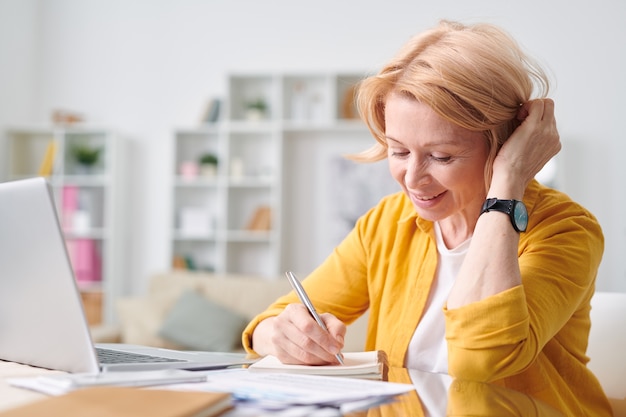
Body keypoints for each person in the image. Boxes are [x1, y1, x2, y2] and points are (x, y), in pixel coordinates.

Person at [241, 20, 611, 416]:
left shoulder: (566, 230)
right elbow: (268, 323)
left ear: (505, 146)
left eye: (441, 156)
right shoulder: (386, 224)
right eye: (399, 152)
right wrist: (280, 335)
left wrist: (507, 188)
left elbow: (480, 360)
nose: (412, 179)